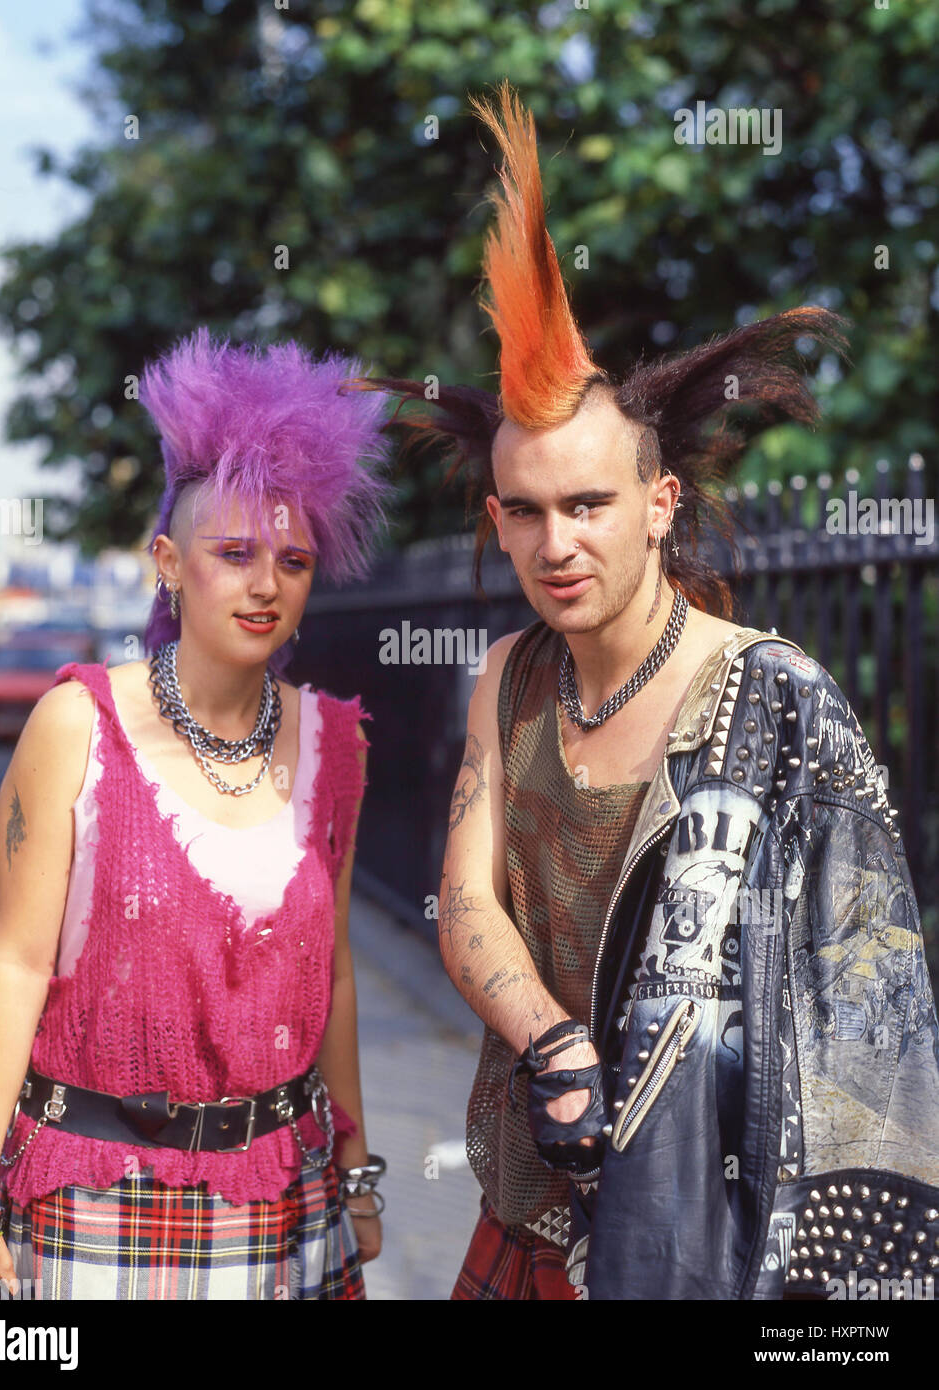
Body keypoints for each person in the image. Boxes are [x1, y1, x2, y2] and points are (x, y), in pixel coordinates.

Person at [350, 81, 939, 1299]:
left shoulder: (775, 699)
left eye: (589, 505)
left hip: (715, 1233)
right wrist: (549, 1039)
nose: (557, 541)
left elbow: (874, 1026)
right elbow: (464, 902)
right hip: (532, 1202)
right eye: (526, 511)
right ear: (496, 520)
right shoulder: (510, 681)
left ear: (657, 505)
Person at [0, 329, 394, 1301]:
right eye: (233, 553)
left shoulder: (335, 744)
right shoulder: (77, 722)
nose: (265, 583)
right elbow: (14, 964)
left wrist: (356, 1173)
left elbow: (337, 975)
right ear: (168, 562)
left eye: (293, 560)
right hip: (96, 1204)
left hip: (289, 1207)